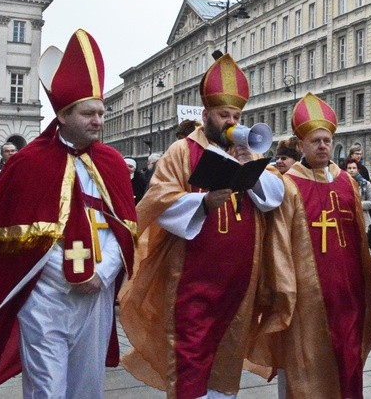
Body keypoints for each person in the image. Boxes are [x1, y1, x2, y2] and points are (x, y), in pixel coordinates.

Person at [0, 29, 137, 398]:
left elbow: (123, 231)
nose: (98, 121)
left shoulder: (114, 164)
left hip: (96, 296)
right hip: (46, 297)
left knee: (87, 388)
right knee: (46, 387)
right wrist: (70, 273)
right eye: (89, 113)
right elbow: (11, 240)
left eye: (101, 113)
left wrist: (100, 275)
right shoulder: (26, 164)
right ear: (63, 114)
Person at [119, 53, 284, 399]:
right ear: (206, 115)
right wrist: (202, 203)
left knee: (226, 355)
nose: (231, 122)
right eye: (224, 115)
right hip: (192, 279)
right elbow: (158, 200)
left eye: (237, 116)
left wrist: (249, 169)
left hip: (238, 281)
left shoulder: (247, 152)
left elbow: (275, 196)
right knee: (191, 355)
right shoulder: (182, 150)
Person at [250, 92, 371, 398]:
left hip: (349, 297)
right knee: (307, 371)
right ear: (302, 144)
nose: (323, 145)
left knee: (349, 366)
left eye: (327, 140)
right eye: (316, 140)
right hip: (307, 299)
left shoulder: (347, 182)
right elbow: (279, 243)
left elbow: (360, 242)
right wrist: (283, 294)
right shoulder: (289, 184)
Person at [346, 159, 371, 245]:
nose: (351, 170)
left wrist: (358, 204)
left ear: (358, 170)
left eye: (354, 168)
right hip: (347, 217)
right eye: (349, 168)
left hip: (363, 218)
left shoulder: (366, 184)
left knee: (362, 245)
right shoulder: (341, 183)